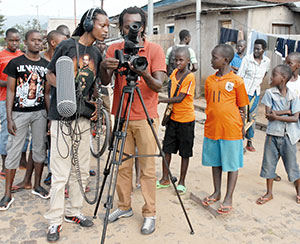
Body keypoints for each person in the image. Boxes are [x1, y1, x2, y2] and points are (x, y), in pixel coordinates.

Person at [44, 8, 109, 242]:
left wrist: (98, 109)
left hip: (83, 120)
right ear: (89, 23)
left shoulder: (97, 53)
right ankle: (54, 221)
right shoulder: (66, 46)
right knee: (60, 173)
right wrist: (66, 91)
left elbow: (97, 87)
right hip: (62, 119)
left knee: (81, 171)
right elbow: (49, 75)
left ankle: (74, 212)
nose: (106, 30)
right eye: (103, 25)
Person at [100, 6, 166, 235]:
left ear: (144, 27)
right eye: (127, 26)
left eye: (135, 25)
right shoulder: (113, 48)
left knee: (147, 168)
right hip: (122, 114)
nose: (131, 29)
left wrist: (142, 71)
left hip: (146, 116)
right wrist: (104, 67)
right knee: (122, 165)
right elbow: (104, 82)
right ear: (121, 27)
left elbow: (159, 85)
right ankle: (123, 206)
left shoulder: (154, 49)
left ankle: (150, 213)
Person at [0, 30, 49, 211]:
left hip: (40, 113)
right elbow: (11, 91)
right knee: (14, 150)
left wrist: (49, 116)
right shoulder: (16, 63)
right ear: (26, 43)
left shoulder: (46, 65)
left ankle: (36, 185)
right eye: (33, 40)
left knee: (38, 149)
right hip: (19, 113)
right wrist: (10, 117)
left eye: (39, 40)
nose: (37, 43)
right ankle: (7, 194)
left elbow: (47, 93)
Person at [201, 44, 249, 214]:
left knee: (231, 164)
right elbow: (210, 103)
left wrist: (243, 127)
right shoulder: (209, 80)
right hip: (213, 129)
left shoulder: (237, 81)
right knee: (215, 162)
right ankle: (217, 191)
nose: (211, 60)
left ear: (225, 60)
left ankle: (229, 196)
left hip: (231, 130)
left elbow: (243, 107)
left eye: (215, 58)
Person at [256, 65, 300, 205]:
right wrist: (287, 111)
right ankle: (269, 193)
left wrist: (278, 115)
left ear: (283, 78)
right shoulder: (269, 93)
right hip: (272, 134)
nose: (271, 77)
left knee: (292, 166)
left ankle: (299, 192)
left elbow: (295, 118)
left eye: (274, 75)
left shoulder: (293, 96)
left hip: (289, 136)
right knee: (269, 164)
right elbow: (269, 115)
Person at [156, 47, 195, 195]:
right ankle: (165, 178)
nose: (178, 63)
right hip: (173, 118)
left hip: (186, 120)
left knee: (185, 153)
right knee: (167, 149)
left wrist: (161, 100)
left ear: (188, 61)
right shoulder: (173, 73)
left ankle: (182, 182)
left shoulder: (189, 77)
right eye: (176, 60)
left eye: (181, 60)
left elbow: (180, 98)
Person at [237, 39, 270, 152]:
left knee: (252, 118)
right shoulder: (247, 59)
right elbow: (240, 76)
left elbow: (264, 74)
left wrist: (258, 83)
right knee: (242, 117)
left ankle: (249, 141)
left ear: (263, 50)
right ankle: (239, 143)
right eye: (254, 48)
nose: (256, 51)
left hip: (255, 93)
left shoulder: (267, 61)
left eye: (258, 49)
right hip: (244, 93)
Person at [0, 28, 23, 179]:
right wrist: (11, 84)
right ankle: (4, 164)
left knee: (22, 132)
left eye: (17, 40)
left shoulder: (22, 55)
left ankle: (21, 161)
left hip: (20, 100)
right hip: (4, 99)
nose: (14, 43)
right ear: (6, 40)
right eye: (11, 40)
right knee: (5, 132)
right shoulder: (1, 56)